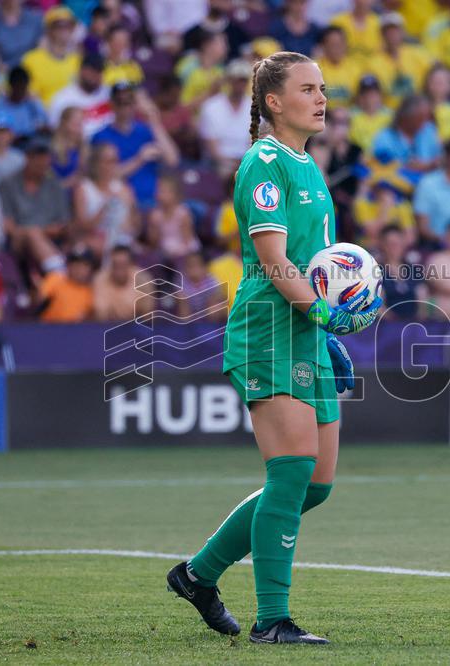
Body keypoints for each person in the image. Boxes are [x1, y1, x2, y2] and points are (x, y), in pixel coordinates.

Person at [165, 51, 381, 646]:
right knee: (290, 474)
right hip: (267, 331)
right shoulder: (264, 163)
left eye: (323, 88)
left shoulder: (308, 165)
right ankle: (272, 620)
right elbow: (275, 262)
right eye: (308, 89)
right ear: (272, 102)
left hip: (306, 333)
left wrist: (329, 322)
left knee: (317, 484)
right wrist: (326, 314)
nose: (322, 98)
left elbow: (319, 264)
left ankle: (197, 575)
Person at [91, 82, 179, 209]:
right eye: (121, 102)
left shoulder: (145, 131)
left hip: (156, 200)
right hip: (124, 202)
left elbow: (173, 160)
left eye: (130, 101)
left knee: (194, 210)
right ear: (112, 104)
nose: (126, 107)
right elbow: (105, 176)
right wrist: (139, 159)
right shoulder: (101, 136)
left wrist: (153, 121)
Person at [0, 134, 70, 273]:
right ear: (27, 157)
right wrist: (33, 233)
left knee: (34, 233)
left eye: (45, 157)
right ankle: (59, 273)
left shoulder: (55, 186)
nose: (42, 162)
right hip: (18, 241)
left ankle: (53, 270)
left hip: (51, 240)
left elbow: (63, 225)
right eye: (37, 157)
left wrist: (40, 232)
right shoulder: (8, 184)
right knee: (32, 233)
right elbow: (7, 224)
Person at [71, 142, 136, 254]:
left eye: (115, 161)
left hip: (119, 242)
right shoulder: (83, 189)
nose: (113, 165)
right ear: (96, 164)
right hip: (92, 241)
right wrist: (105, 208)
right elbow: (81, 227)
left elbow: (131, 225)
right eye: (108, 161)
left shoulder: (123, 189)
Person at [20, 6, 81, 107]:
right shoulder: (31, 60)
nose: (64, 30)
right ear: (48, 30)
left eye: (69, 26)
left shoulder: (78, 60)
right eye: (59, 26)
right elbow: (31, 97)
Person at [48, 52, 112, 141]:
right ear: (81, 70)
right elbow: (55, 130)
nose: (96, 75)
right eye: (92, 70)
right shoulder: (62, 98)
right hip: (77, 147)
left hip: (109, 144)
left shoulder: (109, 93)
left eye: (99, 71)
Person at [92, 244, 155, 320]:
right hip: (110, 326)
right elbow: (101, 316)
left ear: (131, 265)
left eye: (123, 264)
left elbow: (147, 315)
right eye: (115, 265)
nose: (119, 270)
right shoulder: (100, 279)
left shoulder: (142, 279)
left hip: (136, 327)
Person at [0, 66, 48, 141]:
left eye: (23, 87)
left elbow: (44, 124)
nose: (21, 91)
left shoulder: (33, 103)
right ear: (11, 86)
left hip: (30, 144)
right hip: (5, 145)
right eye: (18, 87)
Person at [146, 174, 198, 261]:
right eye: (158, 191)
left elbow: (188, 241)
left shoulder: (183, 213)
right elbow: (153, 243)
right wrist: (154, 227)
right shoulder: (155, 215)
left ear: (174, 194)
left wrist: (176, 253)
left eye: (163, 191)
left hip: (184, 251)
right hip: (164, 251)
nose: (159, 194)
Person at [37, 245, 96, 322]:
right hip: (48, 329)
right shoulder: (55, 279)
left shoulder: (92, 291)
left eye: (84, 265)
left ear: (90, 269)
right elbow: (38, 301)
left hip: (75, 331)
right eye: (75, 264)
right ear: (68, 266)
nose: (79, 269)